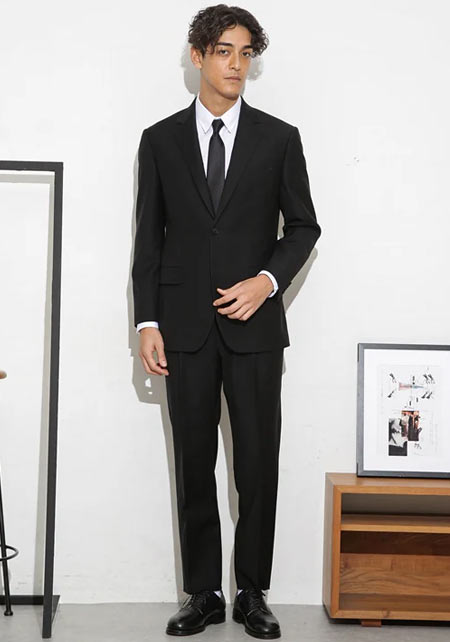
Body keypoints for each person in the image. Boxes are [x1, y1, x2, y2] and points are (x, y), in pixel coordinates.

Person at [131, 4, 321, 638]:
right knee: (193, 463)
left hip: (255, 331)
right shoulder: (159, 140)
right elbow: (148, 239)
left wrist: (266, 282)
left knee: (257, 465)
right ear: (198, 56)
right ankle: (204, 593)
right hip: (181, 328)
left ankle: (252, 593)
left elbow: (304, 227)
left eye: (245, 53)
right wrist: (147, 322)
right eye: (223, 51)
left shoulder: (279, 138)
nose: (236, 64)